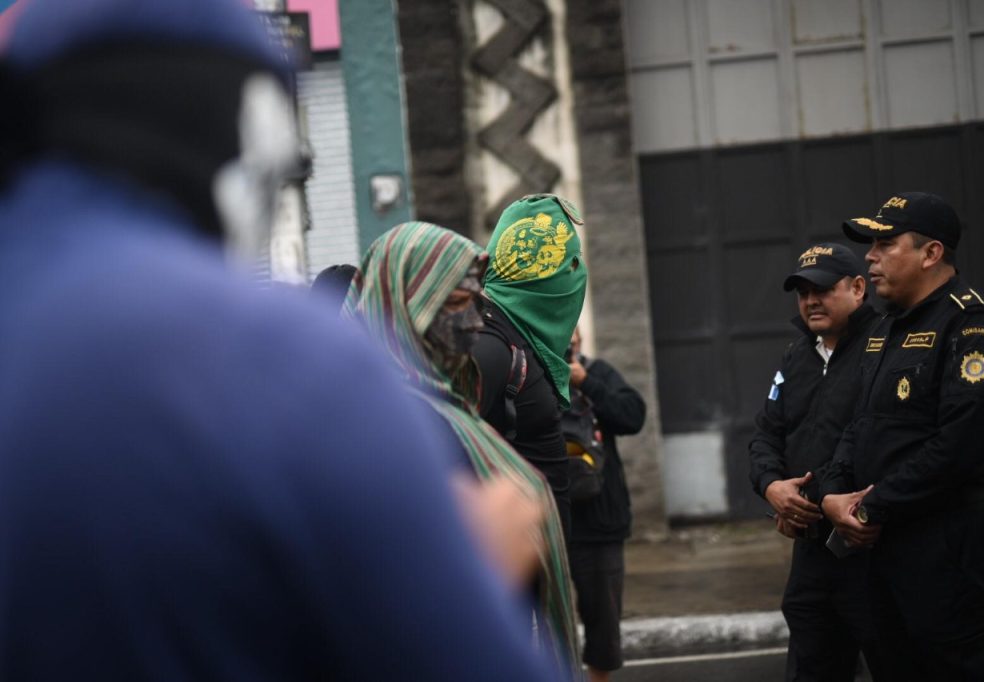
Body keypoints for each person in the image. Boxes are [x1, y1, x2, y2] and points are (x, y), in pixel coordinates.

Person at [0, 1, 572, 680]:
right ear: (247, 133)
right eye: (281, 182)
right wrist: (477, 570)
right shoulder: (292, 369)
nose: (473, 309)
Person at [351, 220, 581, 677]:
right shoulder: (386, 430)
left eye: (477, 303)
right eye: (457, 304)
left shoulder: (447, 405)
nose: (476, 322)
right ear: (404, 306)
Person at [819, 192, 984, 681]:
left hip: (948, 547)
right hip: (882, 550)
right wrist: (832, 494)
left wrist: (872, 506)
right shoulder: (883, 332)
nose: (869, 257)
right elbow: (859, 425)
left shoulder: (973, 324)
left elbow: (960, 444)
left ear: (931, 253)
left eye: (885, 244)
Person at [748, 242, 882, 681]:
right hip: (811, 547)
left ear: (858, 288)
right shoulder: (797, 355)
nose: (811, 301)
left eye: (822, 289)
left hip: (871, 544)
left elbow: (868, 437)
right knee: (811, 664)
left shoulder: (884, 347)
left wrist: (813, 494)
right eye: (802, 291)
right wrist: (772, 487)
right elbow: (767, 433)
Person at [472, 194, 589, 541]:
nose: (578, 274)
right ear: (539, 274)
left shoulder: (513, 336)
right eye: (570, 263)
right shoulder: (491, 347)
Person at [564, 328, 646, 682]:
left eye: (572, 335)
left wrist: (586, 383)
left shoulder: (596, 372)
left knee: (603, 621)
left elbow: (633, 416)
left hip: (599, 519)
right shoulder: (526, 373)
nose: (567, 341)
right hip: (547, 516)